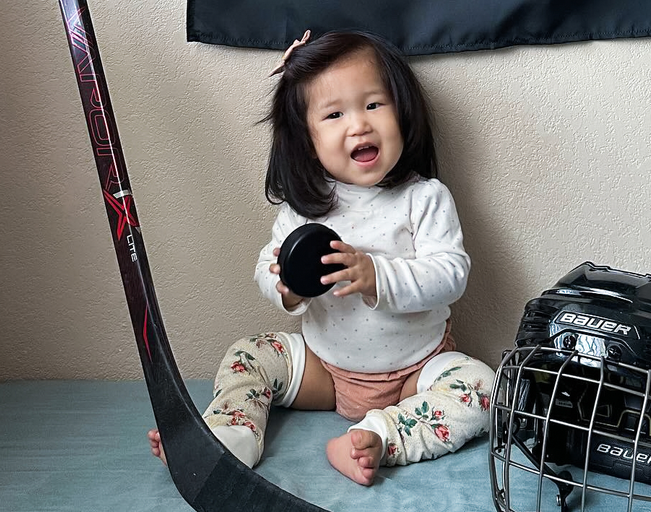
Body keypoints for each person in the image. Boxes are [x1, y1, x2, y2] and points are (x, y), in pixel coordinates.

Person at [149, 29, 493, 485]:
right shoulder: (304, 208)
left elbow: (451, 274)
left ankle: (380, 438)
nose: (359, 125)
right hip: (324, 369)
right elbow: (266, 266)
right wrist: (286, 288)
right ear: (307, 140)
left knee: (484, 386)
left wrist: (375, 275)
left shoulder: (423, 198)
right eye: (334, 114)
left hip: (416, 371)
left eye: (374, 105)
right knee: (249, 354)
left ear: (404, 112)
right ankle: (230, 435)